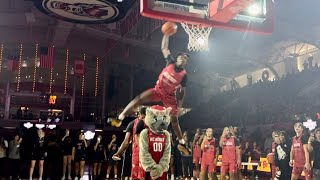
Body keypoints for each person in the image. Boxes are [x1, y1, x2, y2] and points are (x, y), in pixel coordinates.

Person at [115, 34, 189, 144]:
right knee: (139, 99)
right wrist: (166, 34)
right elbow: (164, 48)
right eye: (182, 57)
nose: (184, 59)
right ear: (177, 58)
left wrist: (180, 106)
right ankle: (121, 116)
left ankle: (181, 140)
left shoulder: (184, 75)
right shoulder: (170, 62)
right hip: (157, 90)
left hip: (169, 97)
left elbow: (183, 92)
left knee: (174, 120)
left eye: (186, 59)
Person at [112, 107, 146, 180]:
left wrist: (118, 153)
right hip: (151, 156)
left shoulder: (133, 123)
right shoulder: (154, 123)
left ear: (140, 115)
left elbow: (126, 141)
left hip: (139, 156)